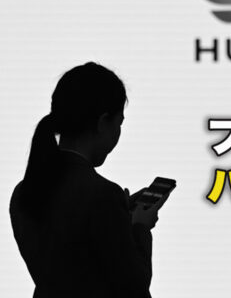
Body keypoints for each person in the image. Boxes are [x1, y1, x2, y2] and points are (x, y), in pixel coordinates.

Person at [9, 61, 166, 298]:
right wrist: (140, 226)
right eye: (119, 123)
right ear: (103, 123)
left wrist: (121, 216)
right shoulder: (103, 195)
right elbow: (135, 285)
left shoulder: (23, 192)